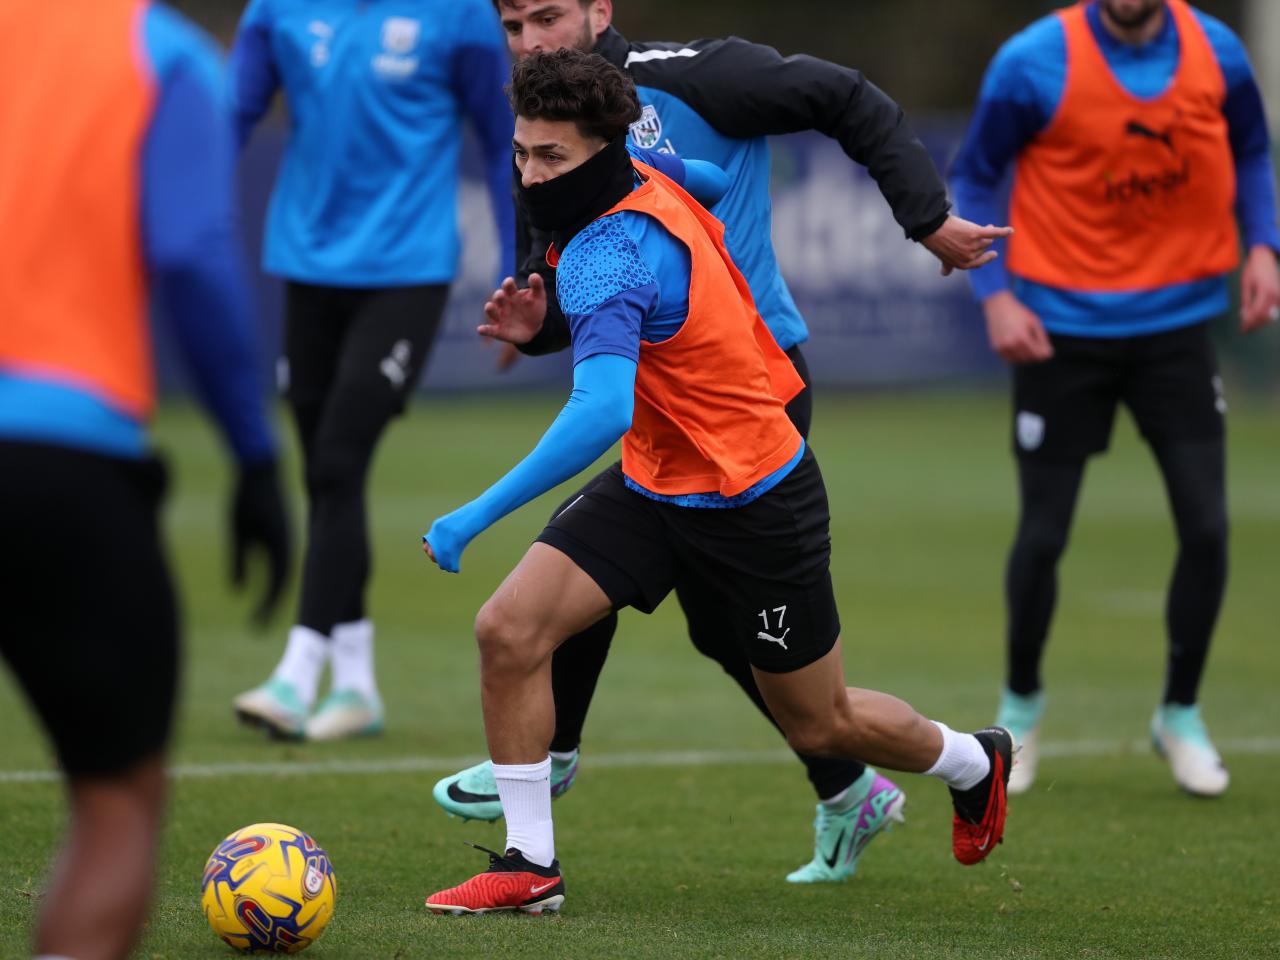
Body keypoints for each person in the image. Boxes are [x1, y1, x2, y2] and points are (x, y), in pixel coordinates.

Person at [420, 49, 1012, 916]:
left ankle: (972, 760)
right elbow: (695, 171)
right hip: (660, 482)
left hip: (757, 499)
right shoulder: (646, 166)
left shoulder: (606, 257)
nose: (530, 174)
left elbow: (600, 412)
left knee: (822, 722)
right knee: (508, 632)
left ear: (601, 150)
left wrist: (474, 514)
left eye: (552, 158)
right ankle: (529, 865)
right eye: (521, 153)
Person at [0, 2, 292, 957]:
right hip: (60, 460)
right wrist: (252, 453)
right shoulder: (158, 51)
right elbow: (189, 253)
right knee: (117, 801)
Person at [950, 0, 1280, 796]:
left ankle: (1181, 714)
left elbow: (1253, 154)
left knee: (1206, 527)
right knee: (1044, 535)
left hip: (1178, 327)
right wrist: (995, 295)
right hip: (1060, 330)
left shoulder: (1220, 52)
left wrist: (1264, 244)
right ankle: (1020, 711)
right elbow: (974, 174)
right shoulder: (1033, 61)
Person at [228, 0, 517, 741]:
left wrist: (522, 275)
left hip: (407, 267)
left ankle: (297, 672)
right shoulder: (278, 10)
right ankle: (355, 685)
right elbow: (232, 117)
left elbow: (498, 141)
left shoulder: (457, 15)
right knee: (329, 475)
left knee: (337, 456)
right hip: (303, 263)